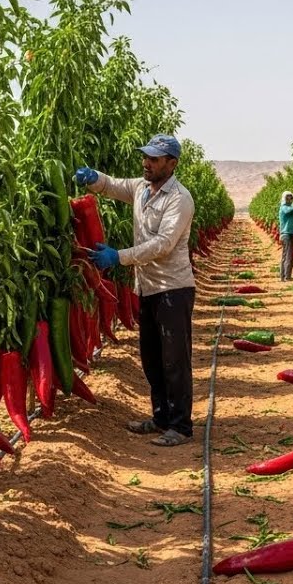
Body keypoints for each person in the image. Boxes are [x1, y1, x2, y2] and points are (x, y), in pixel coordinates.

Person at [75, 134, 197, 447]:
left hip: (173, 288)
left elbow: (163, 244)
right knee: (152, 358)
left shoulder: (179, 199)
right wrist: (93, 178)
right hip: (148, 286)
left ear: (172, 163)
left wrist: (119, 256)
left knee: (174, 360)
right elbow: (112, 185)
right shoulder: (141, 188)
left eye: (154, 159)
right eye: (145, 157)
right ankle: (161, 417)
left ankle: (181, 426)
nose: (146, 163)